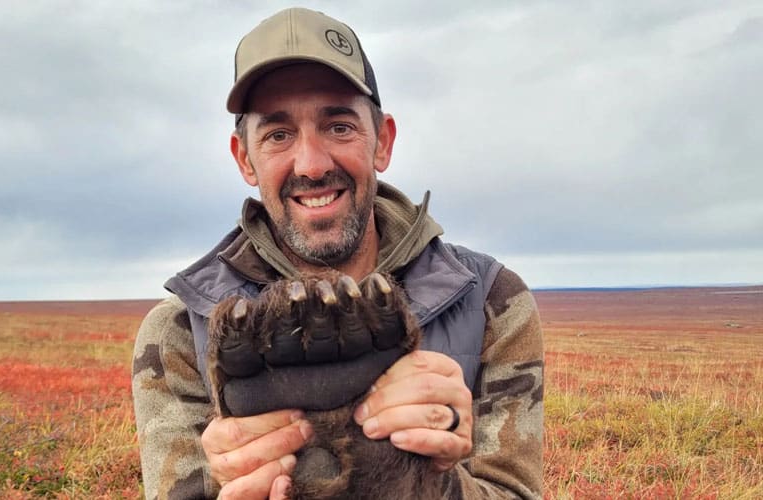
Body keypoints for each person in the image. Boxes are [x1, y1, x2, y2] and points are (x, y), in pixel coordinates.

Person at [132, 7, 543, 500]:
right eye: (278, 135)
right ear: (245, 158)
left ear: (382, 142)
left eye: (339, 126)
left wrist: (430, 481)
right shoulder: (178, 331)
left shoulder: (491, 302)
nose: (312, 164)